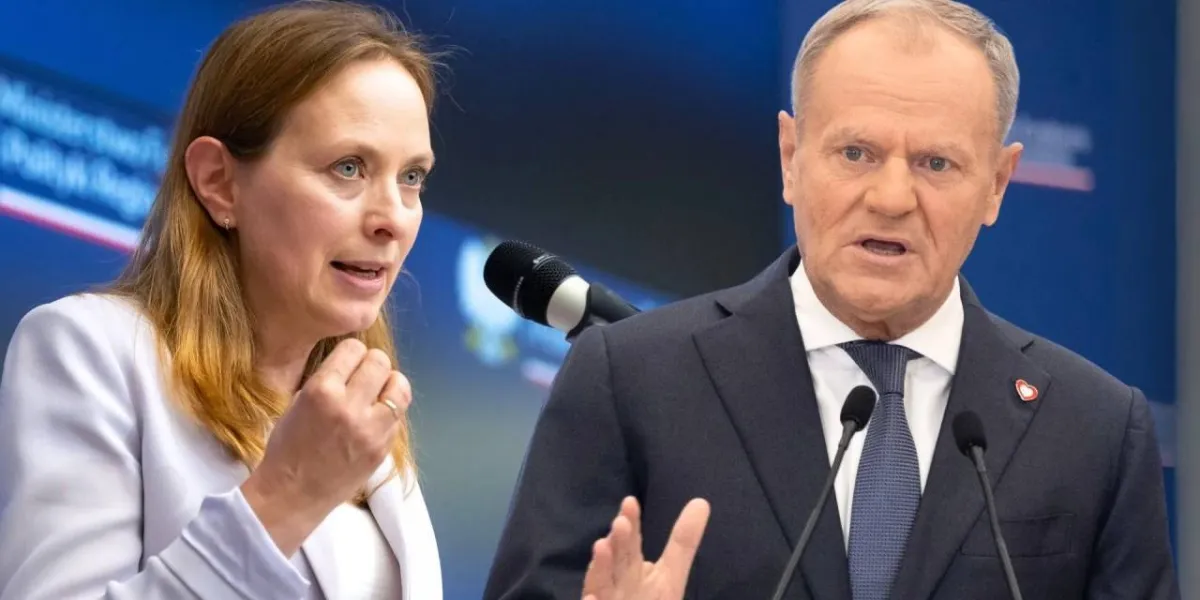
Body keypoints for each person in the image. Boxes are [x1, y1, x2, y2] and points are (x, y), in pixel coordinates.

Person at [484, 0, 1181, 598]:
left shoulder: (1093, 430)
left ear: (998, 183)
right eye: (856, 153)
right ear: (791, 157)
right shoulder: (630, 382)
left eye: (936, 163)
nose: (891, 198)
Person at [0, 2, 444, 598]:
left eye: (412, 177)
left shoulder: (366, 419)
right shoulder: (89, 351)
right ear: (218, 182)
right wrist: (287, 494)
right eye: (348, 167)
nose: (393, 218)